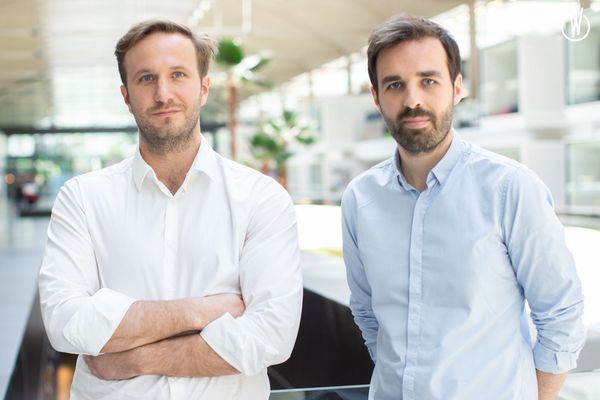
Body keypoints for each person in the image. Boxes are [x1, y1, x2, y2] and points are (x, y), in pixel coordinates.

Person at [38, 20, 302, 400]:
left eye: (178, 74)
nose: (163, 94)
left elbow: (271, 337)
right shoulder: (81, 198)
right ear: (126, 96)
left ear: (203, 87)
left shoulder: (261, 197)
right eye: (146, 78)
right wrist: (199, 312)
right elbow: (66, 323)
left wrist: (135, 358)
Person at [341, 15, 585, 400]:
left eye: (428, 80)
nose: (413, 100)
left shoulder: (509, 188)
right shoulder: (361, 198)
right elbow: (367, 313)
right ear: (376, 96)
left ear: (456, 88)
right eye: (395, 84)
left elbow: (561, 315)